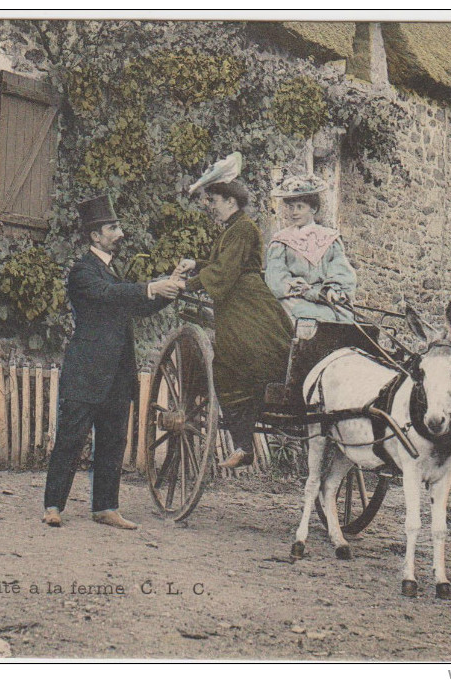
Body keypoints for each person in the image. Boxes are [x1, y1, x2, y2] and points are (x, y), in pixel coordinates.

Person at [43, 194, 183, 529]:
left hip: (118, 374)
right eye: (112, 227)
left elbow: (135, 303)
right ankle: (53, 506)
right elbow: (110, 296)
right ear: (95, 235)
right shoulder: (83, 272)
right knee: (70, 439)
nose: (119, 233)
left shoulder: (110, 272)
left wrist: (171, 285)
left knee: (113, 440)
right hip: (87, 371)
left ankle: (105, 507)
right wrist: (151, 287)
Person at [184, 154, 295, 469]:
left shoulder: (243, 229)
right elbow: (222, 267)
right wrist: (196, 265)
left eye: (215, 200)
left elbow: (226, 273)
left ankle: (244, 445)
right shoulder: (233, 229)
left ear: (231, 201)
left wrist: (186, 286)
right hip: (238, 305)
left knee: (235, 365)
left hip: (249, 306)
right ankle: (244, 444)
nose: (211, 205)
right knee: (237, 367)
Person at [264, 175, 356, 324]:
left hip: (324, 298)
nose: (294, 212)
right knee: (298, 316)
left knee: (342, 319)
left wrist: (332, 289)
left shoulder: (329, 238)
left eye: (300, 207)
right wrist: (300, 289)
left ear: (313, 208)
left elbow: (340, 270)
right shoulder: (281, 241)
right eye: (291, 207)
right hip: (293, 299)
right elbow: (276, 277)